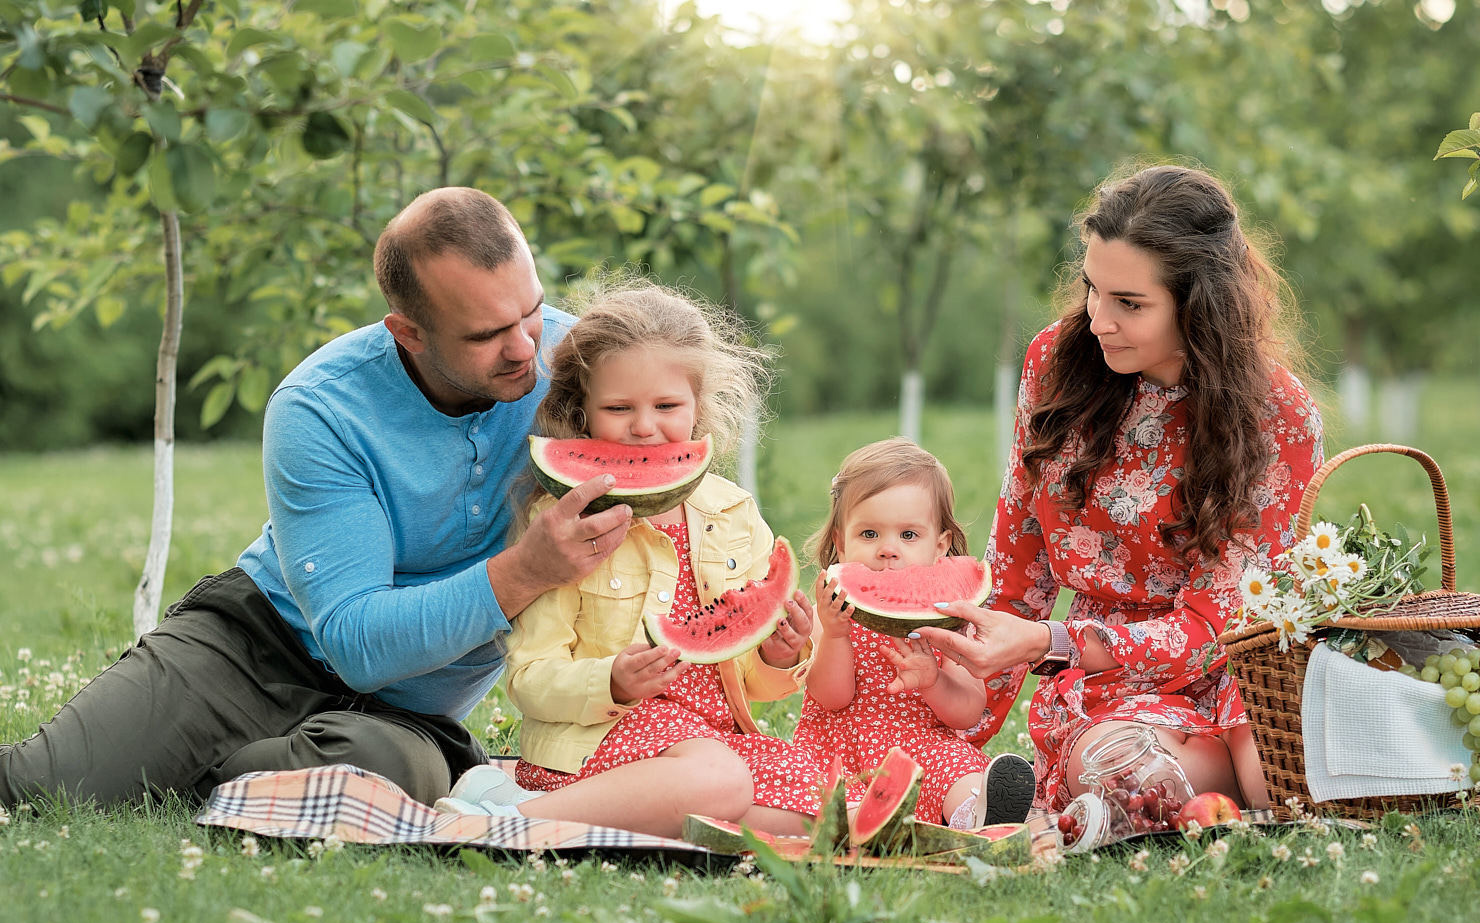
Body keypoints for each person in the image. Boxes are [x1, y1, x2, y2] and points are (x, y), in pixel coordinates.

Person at [0, 188, 633, 808]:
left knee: (393, 772)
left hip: (405, 714)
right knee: (54, 786)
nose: (528, 348)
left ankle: (190, 775)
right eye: (486, 334)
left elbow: (676, 485)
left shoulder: (576, 363)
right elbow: (353, 637)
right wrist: (522, 572)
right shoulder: (321, 407)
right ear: (409, 330)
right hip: (257, 643)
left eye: (530, 309)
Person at [915, 164, 1323, 815]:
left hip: (1242, 662)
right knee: (1108, 765)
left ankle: (1242, 782)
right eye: (1092, 290)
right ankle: (1212, 789)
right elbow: (1018, 566)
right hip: (1108, 683)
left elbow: (1211, 628)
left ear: (1200, 304)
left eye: (1129, 304)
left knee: (1286, 784)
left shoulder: (1281, 415)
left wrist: (1047, 643)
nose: (1099, 320)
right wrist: (949, 720)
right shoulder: (1055, 365)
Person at [441, 280, 819, 839]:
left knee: (813, 814)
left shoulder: (733, 513)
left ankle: (594, 813)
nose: (645, 427)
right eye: (619, 408)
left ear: (699, 407)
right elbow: (528, 678)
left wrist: (779, 655)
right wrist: (610, 681)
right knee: (724, 786)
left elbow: (750, 681)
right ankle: (505, 820)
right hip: (595, 742)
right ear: (582, 414)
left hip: (712, 743)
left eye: (667, 406)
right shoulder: (565, 527)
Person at [794, 438, 1036, 829]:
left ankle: (976, 815)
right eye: (869, 534)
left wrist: (934, 681)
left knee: (956, 768)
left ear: (940, 546)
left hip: (924, 748)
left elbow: (968, 711)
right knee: (813, 789)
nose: (888, 550)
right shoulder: (833, 610)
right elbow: (831, 697)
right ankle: (863, 823)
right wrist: (836, 637)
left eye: (908, 536)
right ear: (840, 542)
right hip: (841, 752)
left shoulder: (950, 616)